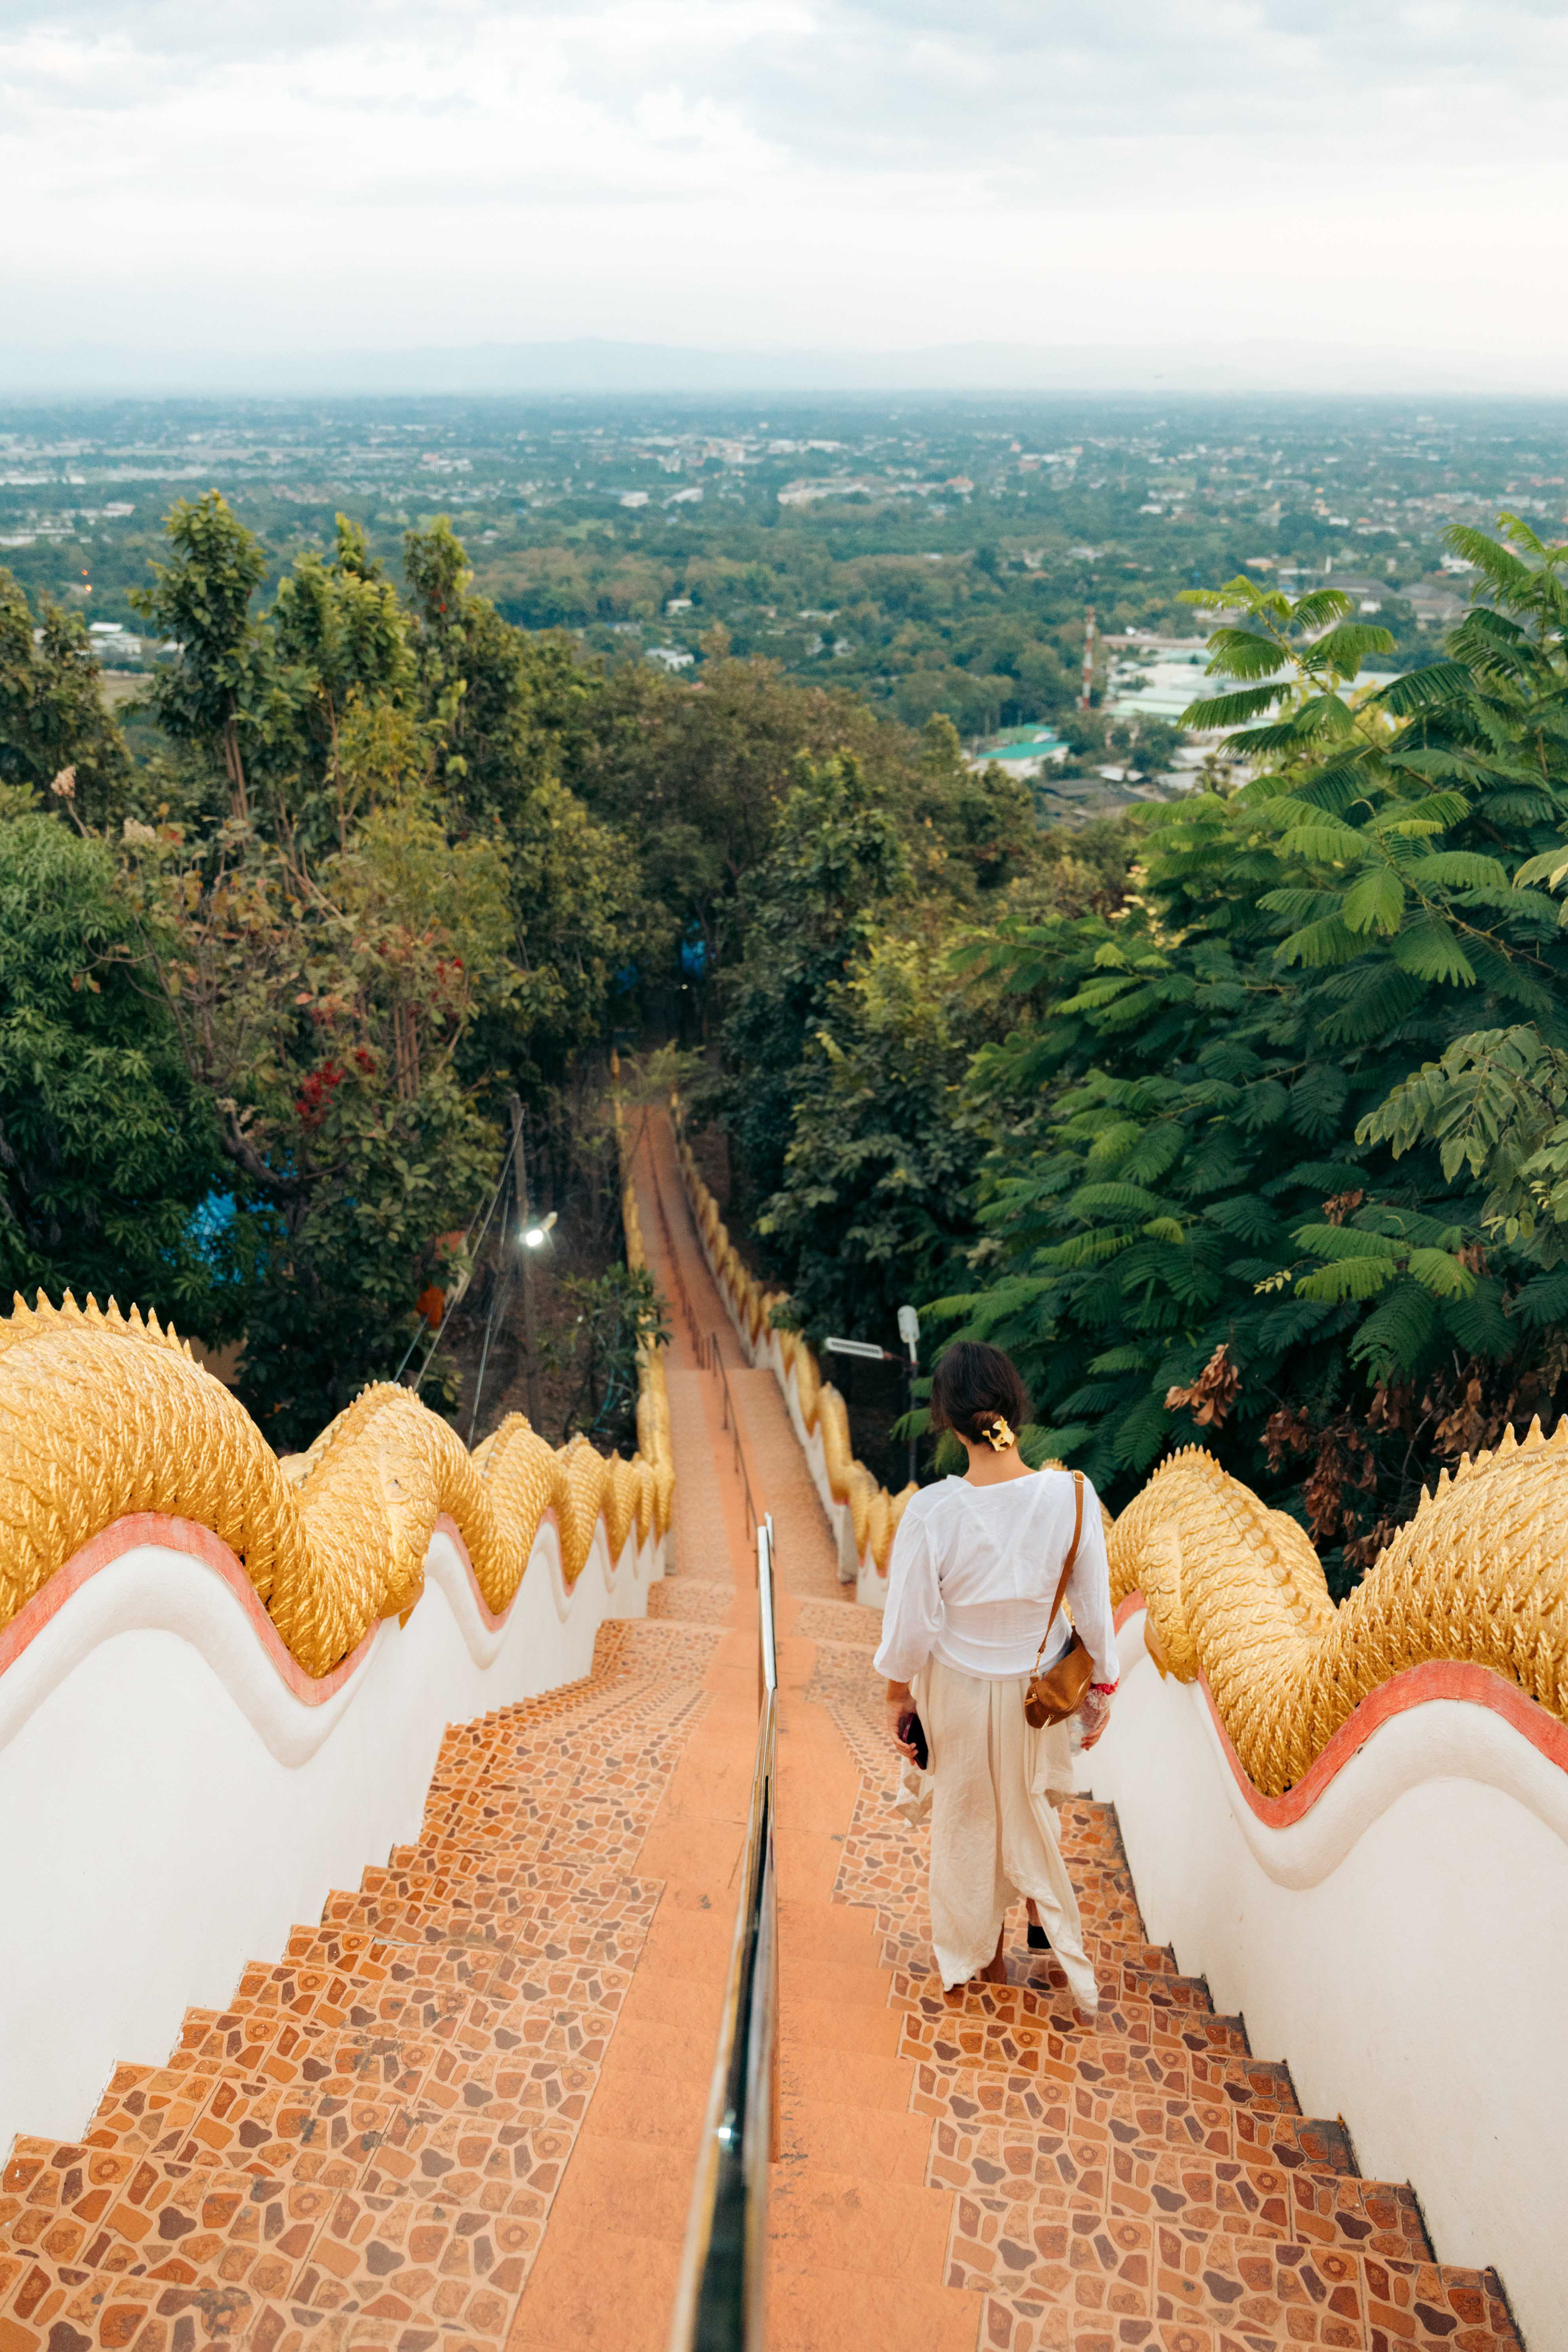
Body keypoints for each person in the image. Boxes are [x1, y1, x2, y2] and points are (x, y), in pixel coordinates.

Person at [873, 1339, 1118, 2013]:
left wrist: (899, 1697)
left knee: (965, 1821)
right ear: (1015, 1407)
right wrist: (1100, 1693)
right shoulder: (1071, 1496)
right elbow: (1095, 1611)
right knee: (1032, 1804)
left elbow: (913, 1627)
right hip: (1039, 1696)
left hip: (954, 1690)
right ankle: (1045, 1918)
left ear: (949, 1423)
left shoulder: (934, 1512)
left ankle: (980, 1957)